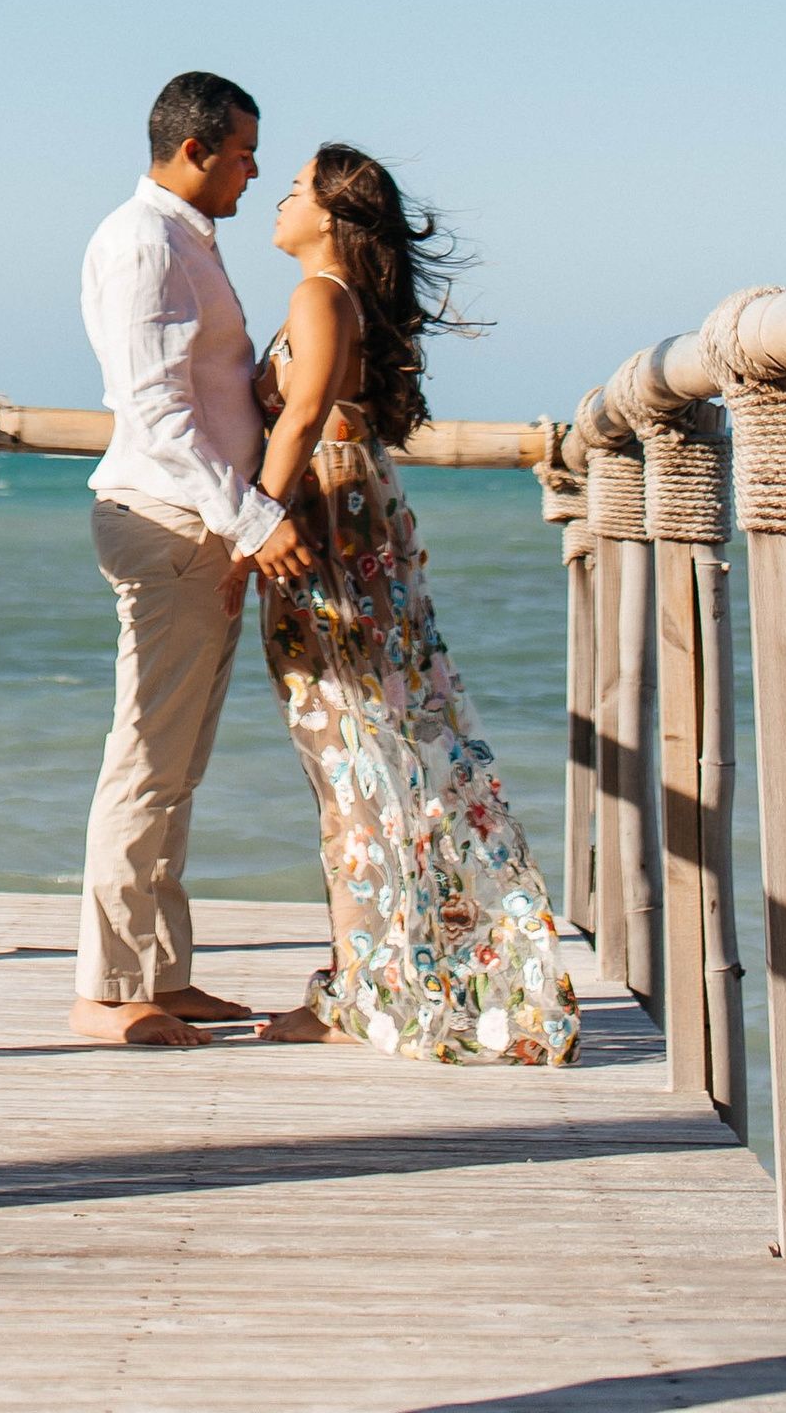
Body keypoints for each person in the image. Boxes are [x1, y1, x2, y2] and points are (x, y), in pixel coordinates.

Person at [245, 146, 582, 1063]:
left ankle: (365, 989)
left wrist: (250, 524)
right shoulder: (348, 300)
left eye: (296, 188)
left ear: (330, 213)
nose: (278, 199)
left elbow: (305, 410)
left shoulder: (318, 296)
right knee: (385, 754)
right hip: (363, 525)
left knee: (351, 764)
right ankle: (404, 971)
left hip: (324, 527)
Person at [69, 72, 310, 1047]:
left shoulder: (184, 244)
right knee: (144, 764)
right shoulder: (144, 244)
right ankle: (107, 992)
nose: (255, 173)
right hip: (170, 523)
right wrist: (253, 520)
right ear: (197, 149)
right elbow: (157, 413)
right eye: (246, 153)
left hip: (194, 523)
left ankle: (159, 977)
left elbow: (197, 394)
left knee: (175, 769)